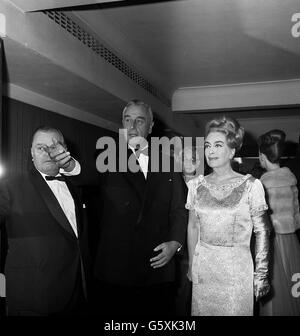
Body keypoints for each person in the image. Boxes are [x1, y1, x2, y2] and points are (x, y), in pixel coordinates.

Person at [93, 99, 188, 316]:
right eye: (128, 120)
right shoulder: (105, 158)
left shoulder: (169, 163)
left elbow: (179, 209)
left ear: (151, 127)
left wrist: (175, 243)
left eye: (139, 120)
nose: (133, 126)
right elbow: (81, 173)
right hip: (116, 270)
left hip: (157, 269)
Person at [0, 126, 90, 316]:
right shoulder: (10, 187)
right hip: (35, 297)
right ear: (32, 154)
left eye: (54, 146)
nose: (49, 152)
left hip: (78, 292)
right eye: (41, 148)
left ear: (65, 150)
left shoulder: (75, 185)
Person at [186, 116, 271, 316]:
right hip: (204, 270)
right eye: (207, 145)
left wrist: (262, 274)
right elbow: (193, 227)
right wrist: (191, 264)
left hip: (236, 272)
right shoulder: (196, 186)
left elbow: (263, 231)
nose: (210, 151)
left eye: (217, 145)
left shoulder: (252, 186)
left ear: (232, 150)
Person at [258, 130, 300, 316]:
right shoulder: (291, 179)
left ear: (262, 157)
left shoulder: (262, 183)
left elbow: (259, 220)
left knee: (273, 290)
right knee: (294, 284)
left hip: (272, 242)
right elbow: (297, 214)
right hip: (292, 240)